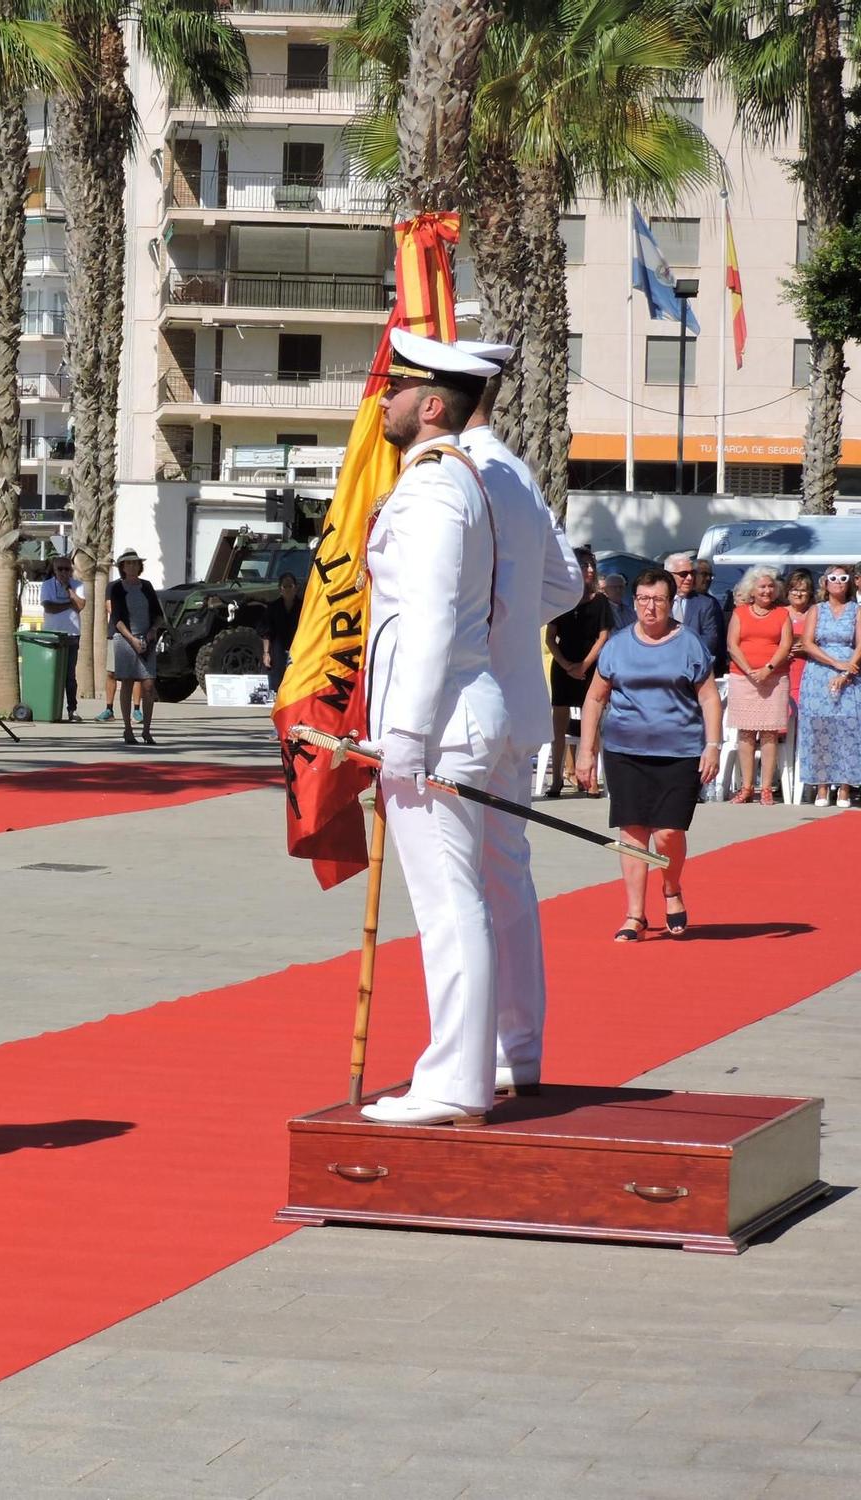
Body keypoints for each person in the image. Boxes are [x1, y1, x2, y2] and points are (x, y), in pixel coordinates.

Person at [356, 329, 511, 1129]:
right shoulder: (449, 481)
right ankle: (459, 1074)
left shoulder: (432, 491)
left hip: (439, 724)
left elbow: (426, 626)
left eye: (396, 388)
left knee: (450, 907)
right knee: (456, 904)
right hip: (450, 716)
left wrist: (404, 742)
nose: (381, 400)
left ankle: (455, 1082)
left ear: (434, 404)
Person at [456, 339, 585, 1099]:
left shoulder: (450, 471)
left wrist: (486, 623)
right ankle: (519, 1050)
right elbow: (566, 582)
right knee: (507, 879)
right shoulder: (516, 471)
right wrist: (510, 628)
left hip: (457, 712)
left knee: (455, 888)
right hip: (515, 706)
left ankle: (463, 1062)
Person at [577, 568, 724, 939]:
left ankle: (672, 887)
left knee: (668, 833)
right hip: (626, 751)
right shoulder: (618, 645)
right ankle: (635, 915)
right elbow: (595, 698)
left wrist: (713, 745)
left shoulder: (689, 643)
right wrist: (586, 750)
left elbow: (708, 697)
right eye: (642, 599)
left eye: (658, 599)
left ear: (671, 601)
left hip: (680, 751)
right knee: (633, 832)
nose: (649, 608)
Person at [544, 547, 613, 797]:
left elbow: (603, 636)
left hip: (589, 665)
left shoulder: (601, 600)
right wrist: (566, 665)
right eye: (584, 565)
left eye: (592, 565)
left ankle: (591, 778)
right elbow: (551, 637)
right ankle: (557, 779)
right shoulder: (562, 597)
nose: (590, 570)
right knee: (558, 723)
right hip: (563, 664)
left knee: (590, 721)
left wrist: (583, 665)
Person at [723, 566, 794, 803]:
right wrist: (750, 671)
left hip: (774, 679)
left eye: (770, 586)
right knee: (745, 733)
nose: (767, 590)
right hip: (743, 678)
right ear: (752, 589)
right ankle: (746, 787)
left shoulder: (782, 614)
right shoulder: (740, 613)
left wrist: (768, 669)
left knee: (769, 734)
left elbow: (785, 646)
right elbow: (733, 645)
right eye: (762, 586)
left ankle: (765, 788)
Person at [796, 561, 861, 807]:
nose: (838, 583)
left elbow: (860, 645)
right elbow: (808, 643)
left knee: (847, 728)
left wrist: (847, 670)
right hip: (820, 672)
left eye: (844, 579)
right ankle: (822, 787)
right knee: (820, 727)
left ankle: (844, 787)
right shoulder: (816, 610)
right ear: (825, 582)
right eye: (834, 578)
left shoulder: (856, 610)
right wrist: (835, 662)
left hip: (849, 675)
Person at [108, 548, 163, 746]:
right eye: (128, 563)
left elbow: (158, 614)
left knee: (148, 684)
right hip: (125, 639)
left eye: (135, 563)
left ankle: (146, 730)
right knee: (128, 682)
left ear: (140, 566)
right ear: (122, 567)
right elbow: (117, 619)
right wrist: (131, 639)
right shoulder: (117, 588)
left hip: (146, 638)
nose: (132, 566)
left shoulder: (146, 586)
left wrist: (153, 630)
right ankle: (128, 729)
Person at [38, 556, 85, 720]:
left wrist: (69, 591)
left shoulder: (78, 585)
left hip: (72, 635)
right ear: (54, 570)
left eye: (67, 569)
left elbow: (80, 606)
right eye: (60, 569)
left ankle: (72, 709)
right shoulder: (47, 585)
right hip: (52, 635)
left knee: (69, 676)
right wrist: (68, 605)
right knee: (50, 673)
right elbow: (48, 607)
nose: (64, 572)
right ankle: (47, 707)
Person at [665, 552, 725, 678]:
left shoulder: (705, 603)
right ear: (668, 575)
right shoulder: (659, 601)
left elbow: (709, 639)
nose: (689, 578)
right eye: (683, 574)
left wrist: (688, 661)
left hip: (693, 670)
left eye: (692, 573)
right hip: (663, 667)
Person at [261, 571, 301, 692]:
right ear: (280, 589)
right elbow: (266, 632)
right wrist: (266, 653)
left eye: (290, 586)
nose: (288, 589)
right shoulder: (273, 608)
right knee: (276, 684)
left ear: (296, 588)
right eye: (285, 586)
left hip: (298, 650)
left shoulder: (304, 606)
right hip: (277, 651)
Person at [785, 568, 816, 709]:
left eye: (803, 590)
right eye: (794, 590)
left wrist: (809, 647)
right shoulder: (780, 613)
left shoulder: (817, 613)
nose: (798, 594)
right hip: (784, 670)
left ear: (809, 593)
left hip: (809, 670)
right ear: (788, 591)